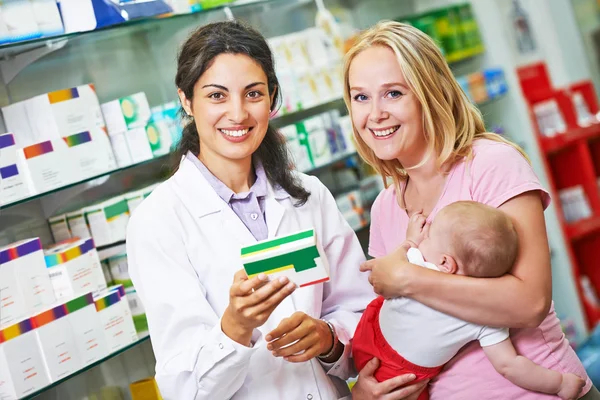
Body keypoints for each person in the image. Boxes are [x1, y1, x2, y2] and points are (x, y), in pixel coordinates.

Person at [343, 20, 600, 400]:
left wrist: (409, 279)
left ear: (430, 93)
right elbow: (396, 321)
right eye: (360, 97)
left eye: (393, 93)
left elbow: (529, 303)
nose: (375, 113)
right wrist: (367, 391)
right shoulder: (385, 207)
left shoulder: (490, 164)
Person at [126, 21, 374, 399]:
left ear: (272, 98)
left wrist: (329, 339)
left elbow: (362, 315)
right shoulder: (158, 221)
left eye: (253, 93)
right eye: (216, 96)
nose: (238, 113)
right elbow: (185, 388)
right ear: (186, 101)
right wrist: (235, 327)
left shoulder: (309, 195)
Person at [352, 200, 586, 400]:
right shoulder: (488, 317)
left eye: (429, 235)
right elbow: (510, 366)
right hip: (403, 373)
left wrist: (411, 240)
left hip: (373, 333)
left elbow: (386, 273)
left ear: (446, 263)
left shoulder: (418, 262)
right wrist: (559, 383)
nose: (425, 238)